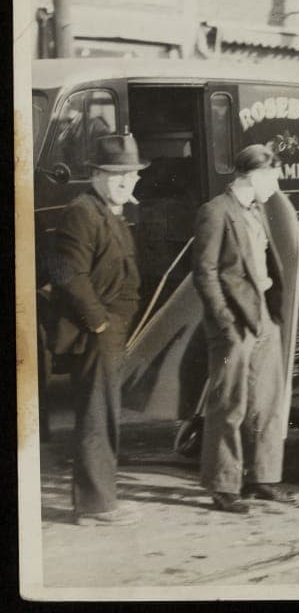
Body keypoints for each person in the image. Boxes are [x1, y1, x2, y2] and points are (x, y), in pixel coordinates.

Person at [48, 133, 147, 526]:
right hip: (95, 332)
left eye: (132, 175)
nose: (125, 182)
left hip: (111, 329)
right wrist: (101, 323)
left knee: (104, 412)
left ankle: (101, 499)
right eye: (115, 174)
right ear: (95, 175)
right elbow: (67, 273)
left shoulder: (111, 212)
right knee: (96, 415)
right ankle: (94, 506)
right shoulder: (82, 212)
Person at [192, 144, 293, 513]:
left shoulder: (257, 211)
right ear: (254, 175)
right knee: (229, 404)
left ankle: (262, 478)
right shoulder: (215, 212)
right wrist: (224, 321)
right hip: (234, 321)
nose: (276, 186)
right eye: (273, 177)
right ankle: (223, 487)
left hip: (264, 314)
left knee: (267, 401)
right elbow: (204, 272)